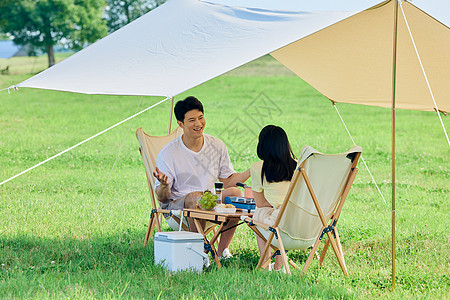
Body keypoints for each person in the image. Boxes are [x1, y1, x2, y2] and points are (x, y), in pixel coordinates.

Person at [153, 96, 250, 259]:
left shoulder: (217, 145)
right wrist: (164, 185)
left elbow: (227, 181)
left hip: (209, 202)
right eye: (192, 120)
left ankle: (222, 252)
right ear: (180, 124)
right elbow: (163, 198)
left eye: (201, 117)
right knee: (195, 196)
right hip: (177, 209)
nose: (198, 124)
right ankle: (201, 253)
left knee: (235, 194)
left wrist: (250, 171)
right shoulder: (168, 153)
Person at [250, 125, 297, 271]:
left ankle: (265, 264)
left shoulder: (258, 168)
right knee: (282, 215)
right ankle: (279, 267)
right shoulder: (297, 166)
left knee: (260, 214)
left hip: (276, 222)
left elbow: (260, 202)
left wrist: (275, 204)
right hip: (299, 221)